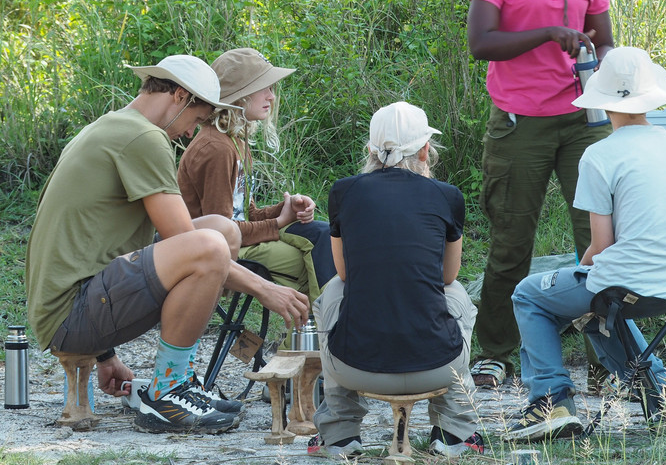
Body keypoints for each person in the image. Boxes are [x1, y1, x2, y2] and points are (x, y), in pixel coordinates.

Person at [25, 55, 309, 434]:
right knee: (209, 244)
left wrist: (105, 355)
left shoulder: (114, 125)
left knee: (220, 230)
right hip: (72, 315)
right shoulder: (143, 137)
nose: (192, 133)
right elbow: (189, 244)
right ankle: (168, 391)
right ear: (178, 95)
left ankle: (178, 382)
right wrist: (264, 288)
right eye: (195, 119)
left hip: (71, 309)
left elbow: (91, 253)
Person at [467, 0, 617, 388]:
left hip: (583, 123)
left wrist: (601, 65)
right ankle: (495, 352)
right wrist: (550, 34)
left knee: (597, 239)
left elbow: (607, 45)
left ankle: (607, 357)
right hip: (520, 122)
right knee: (512, 241)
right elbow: (481, 42)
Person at [504, 47, 666, 441]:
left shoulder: (599, 155)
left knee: (529, 294)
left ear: (602, 103)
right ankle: (659, 393)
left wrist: (579, 270)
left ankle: (550, 400)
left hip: (623, 284)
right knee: (593, 308)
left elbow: (602, 247)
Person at [308, 101, 485, 458]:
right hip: (438, 366)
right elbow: (448, 275)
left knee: (333, 292)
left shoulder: (344, 191)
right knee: (457, 295)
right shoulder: (449, 196)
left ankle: (340, 436)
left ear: (370, 150)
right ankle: (455, 432)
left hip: (355, 368)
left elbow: (344, 272)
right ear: (425, 150)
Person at [179, 48, 334, 298]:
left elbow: (245, 215)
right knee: (316, 261)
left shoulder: (233, 141)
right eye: (264, 87)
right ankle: (318, 334)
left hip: (238, 241)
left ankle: (314, 332)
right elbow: (220, 231)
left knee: (324, 238)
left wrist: (284, 210)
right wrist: (278, 223)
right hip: (219, 252)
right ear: (239, 96)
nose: (271, 97)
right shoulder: (216, 148)